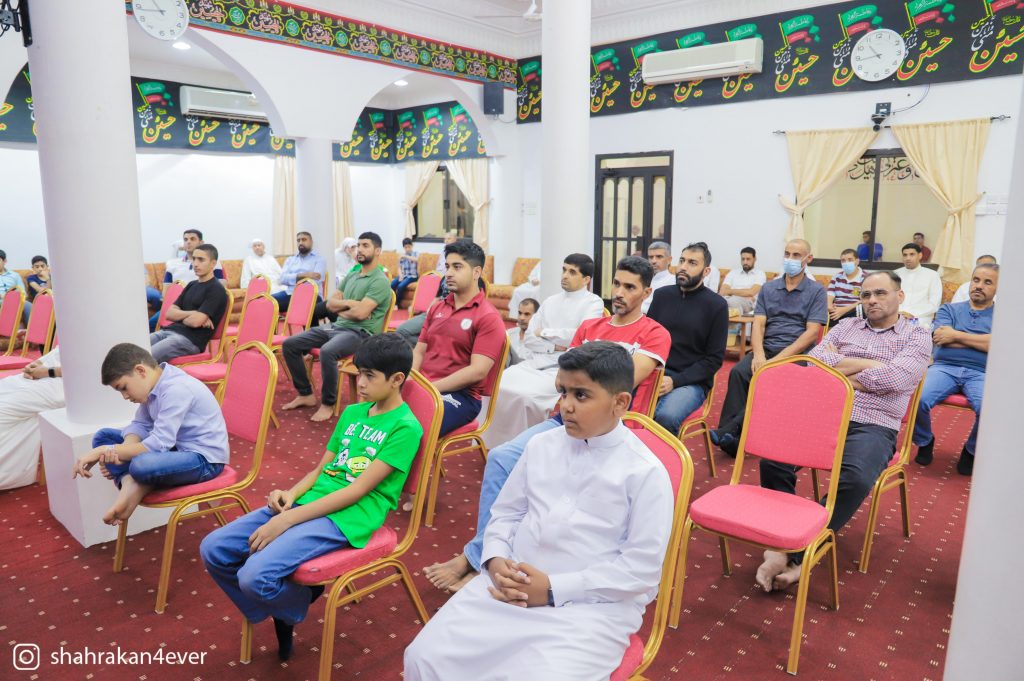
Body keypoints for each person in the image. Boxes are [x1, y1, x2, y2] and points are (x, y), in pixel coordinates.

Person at [406, 342, 673, 681]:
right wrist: (495, 559)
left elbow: (641, 570)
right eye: (563, 393)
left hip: (589, 610)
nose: (566, 406)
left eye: (581, 395)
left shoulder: (645, 472)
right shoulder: (541, 444)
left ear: (620, 403)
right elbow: (505, 514)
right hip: (508, 586)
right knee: (423, 658)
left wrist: (553, 588)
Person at [424, 257, 671, 593]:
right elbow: (561, 380)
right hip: (563, 420)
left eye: (630, 287)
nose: (619, 292)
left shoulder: (654, 333)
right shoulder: (591, 326)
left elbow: (624, 380)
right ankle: (485, 556)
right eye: (616, 284)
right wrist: (584, 382)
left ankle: (475, 559)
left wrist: (583, 377)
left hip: (614, 428)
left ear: (646, 293)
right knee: (501, 458)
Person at [201, 334, 423, 661]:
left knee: (253, 575)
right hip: (311, 502)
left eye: (369, 376)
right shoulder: (353, 413)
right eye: (359, 373)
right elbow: (321, 470)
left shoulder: (405, 427)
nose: (360, 383)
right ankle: (283, 606)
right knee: (214, 548)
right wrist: (289, 495)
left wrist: (287, 520)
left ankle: (291, 606)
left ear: (397, 379)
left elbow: (356, 490)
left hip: (349, 516)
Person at [755, 271, 931, 591]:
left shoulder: (916, 336)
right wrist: (871, 366)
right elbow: (814, 362)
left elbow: (898, 379)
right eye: (866, 295)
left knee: (855, 478)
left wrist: (843, 369)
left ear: (900, 296)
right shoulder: (847, 326)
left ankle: (801, 550)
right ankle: (784, 535)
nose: (872, 300)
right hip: (824, 414)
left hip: (875, 423)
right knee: (772, 459)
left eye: (880, 293)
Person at [73, 343, 229, 527]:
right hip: (175, 449)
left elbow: (158, 444)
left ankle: (136, 481)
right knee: (103, 436)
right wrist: (119, 450)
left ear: (140, 371)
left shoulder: (176, 389)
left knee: (141, 464)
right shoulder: (153, 387)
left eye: (124, 387)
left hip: (205, 461)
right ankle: (130, 481)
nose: (124, 396)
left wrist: (105, 452)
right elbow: (140, 425)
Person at [711, 239, 828, 455]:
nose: (790, 259)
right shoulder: (769, 288)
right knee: (739, 372)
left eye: (796, 255)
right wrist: (758, 355)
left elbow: (812, 333)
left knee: (770, 378)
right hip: (767, 348)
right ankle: (731, 442)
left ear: (808, 259)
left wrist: (776, 361)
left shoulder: (816, 291)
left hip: (798, 353)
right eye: (787, 254)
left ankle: (731, 430)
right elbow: (759, 324)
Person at [483, 253, 604, 446]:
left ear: (586, 279)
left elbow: (581, 337)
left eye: (572, 272)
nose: (565, 275)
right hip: (534, 362)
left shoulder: (593, 303)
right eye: (564, 270)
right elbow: (530, 338)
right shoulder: (550, 301)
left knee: (526, 398)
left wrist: (545, 332)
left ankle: (528, 447)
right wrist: (555, 345)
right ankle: (491, 444)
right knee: (495, 384)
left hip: (562, 369)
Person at [281, 232, 392, 423]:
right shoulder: (353, 275)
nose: (360, 249)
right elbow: (331, 305)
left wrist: (347, 308)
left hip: (360, 333)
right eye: (359, 245)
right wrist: (351, 305)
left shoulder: (380, 281)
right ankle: (306, 394)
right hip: (337, 327)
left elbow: (360, 314)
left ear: (377, 251)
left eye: (365, 245)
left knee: (328, 351)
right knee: (290, 344)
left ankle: (328, 403)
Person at [413, 239, 506, 436]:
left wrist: (429, 389)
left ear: (476, 272)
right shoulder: (437, 308)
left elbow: (477, 372)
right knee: (376, 410)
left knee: (411, 427)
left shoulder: (488, 316)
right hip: (425, 387)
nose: (448, 273)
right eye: (447, 266)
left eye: (457, 267)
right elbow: (419, 351)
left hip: (461, 397)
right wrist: (411, 382)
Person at [913, 263, 998, 476]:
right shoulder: (949, 309)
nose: (979, 286)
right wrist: (983, 341)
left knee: (990, 410)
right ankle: (925, 440)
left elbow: (997, 346)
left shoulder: (1003, 317)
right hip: (944, 368)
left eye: (987, 282)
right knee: (918, 399)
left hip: (982, 372)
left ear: (998, 287)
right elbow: (940, 338)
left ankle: (971, 450)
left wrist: (956, 335)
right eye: (976, 280)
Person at [648, 242, 729, 435]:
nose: (683, 267)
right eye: (682, 260)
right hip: (654, 373)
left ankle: (662, 456)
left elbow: (714, 360)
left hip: (691, 381)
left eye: (692, 263)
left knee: (666, 416)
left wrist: (675, 381)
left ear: (706, 271)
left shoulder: (716, 305)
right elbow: (648, 339)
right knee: (616, 400)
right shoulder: (662, 296)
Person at [148, 244, 229, 363]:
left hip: (188, 340)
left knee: (145, 358)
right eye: (194, 259)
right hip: (167, 331)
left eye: (201, 260)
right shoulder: (191, 285)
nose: (195, 264)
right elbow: (169, 314)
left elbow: (195, 322)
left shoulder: (216, 289)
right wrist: (194, 313)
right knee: (134, 347)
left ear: (213, 263)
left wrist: (181, 316)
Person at [0, 349, 64, 490]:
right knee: (4, 388)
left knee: (4, 407)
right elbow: (57, 351)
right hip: (45, 375)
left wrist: (48, 371)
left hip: (65, 384)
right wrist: (34, 365)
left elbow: (89, 369)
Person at [273, 231, 327, 312]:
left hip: (311, 294)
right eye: (298, 240)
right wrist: (302, 275)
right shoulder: (290, 260)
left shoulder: (319, 259)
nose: (301, 242)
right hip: (290, 293)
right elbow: (281, 279)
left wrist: (292, 278)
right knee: (268, 302)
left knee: (305, 305)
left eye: (304, 240)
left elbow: (315, 280)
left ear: (311, 242)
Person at [895, 242, 942, 329]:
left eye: (912, 254)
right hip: (896, 316)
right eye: (905, 255)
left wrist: (913, 314)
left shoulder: (932, 275)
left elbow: (934, 304)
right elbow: (890, 298)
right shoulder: (896, 274)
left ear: (920, 255)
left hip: (921, 318)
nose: (908, 258)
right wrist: (898, 313)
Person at [162, 229, 226, 288]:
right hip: (179, 296)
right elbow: (166, 289)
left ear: (201, 243)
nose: (188, 242)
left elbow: (221, 287)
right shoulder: (172, 264)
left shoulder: (212, 262)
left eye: (192, 239)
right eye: (185, 239)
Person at [719, 246, 766, 314]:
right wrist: (745, 293)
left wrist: (729, 291)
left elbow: (751, 292)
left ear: (754, 259)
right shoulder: (733, 273)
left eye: (748, 259)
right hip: (728, 300)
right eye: (743, 259)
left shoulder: (760, 274)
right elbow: (722, 291)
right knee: (718, 301)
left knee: (732, 302)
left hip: (748, 304)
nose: (745, 262)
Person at [827, 249, 867, 323]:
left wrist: (843, 310)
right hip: (836, 311)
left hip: (854, 310)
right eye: (843, 260)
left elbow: (865, 300)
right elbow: (830, 293)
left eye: (850, 260)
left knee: (862, 309)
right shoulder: (837, 277)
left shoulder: (866, 278)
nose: (846, 263)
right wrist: (829, 305)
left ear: (857, 261)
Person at [641, 240, 674, 313]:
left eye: (659, 257)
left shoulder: (674, 281)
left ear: (669, 260)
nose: (653, 261)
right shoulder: (641, 279)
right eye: (651, 257)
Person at [507, 298, 539, 365]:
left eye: (527, 314)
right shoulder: (508, 334)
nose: (521, 318)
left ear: (536, 316)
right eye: (520, 313)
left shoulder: (540, 340)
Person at [392, 237, 420, 305]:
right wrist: (400, 275)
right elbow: (399, 267)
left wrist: (406, 256)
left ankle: (396, 304)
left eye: (409, 247)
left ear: (412, 246)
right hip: (404, 275)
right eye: (405, 247)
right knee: (392, 284)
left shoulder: (416, 253)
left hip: (412, 276)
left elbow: (417, 260)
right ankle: (392, 302)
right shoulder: (401, 256)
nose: (407, 249)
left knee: (400, 286)